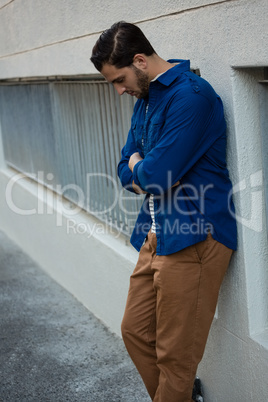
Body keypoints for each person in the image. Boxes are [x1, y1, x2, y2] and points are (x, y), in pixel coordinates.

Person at [90, 21, 237, 402]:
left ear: (140, 60)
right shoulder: (146, 100)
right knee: (135, 331)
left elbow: (154, 175)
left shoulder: (192, 97)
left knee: (175, 357)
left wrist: (142, 167)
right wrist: (141, 167)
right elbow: (125, 167)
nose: (120, 90)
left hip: (195, 237)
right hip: (156, 234)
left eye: (119, 79)